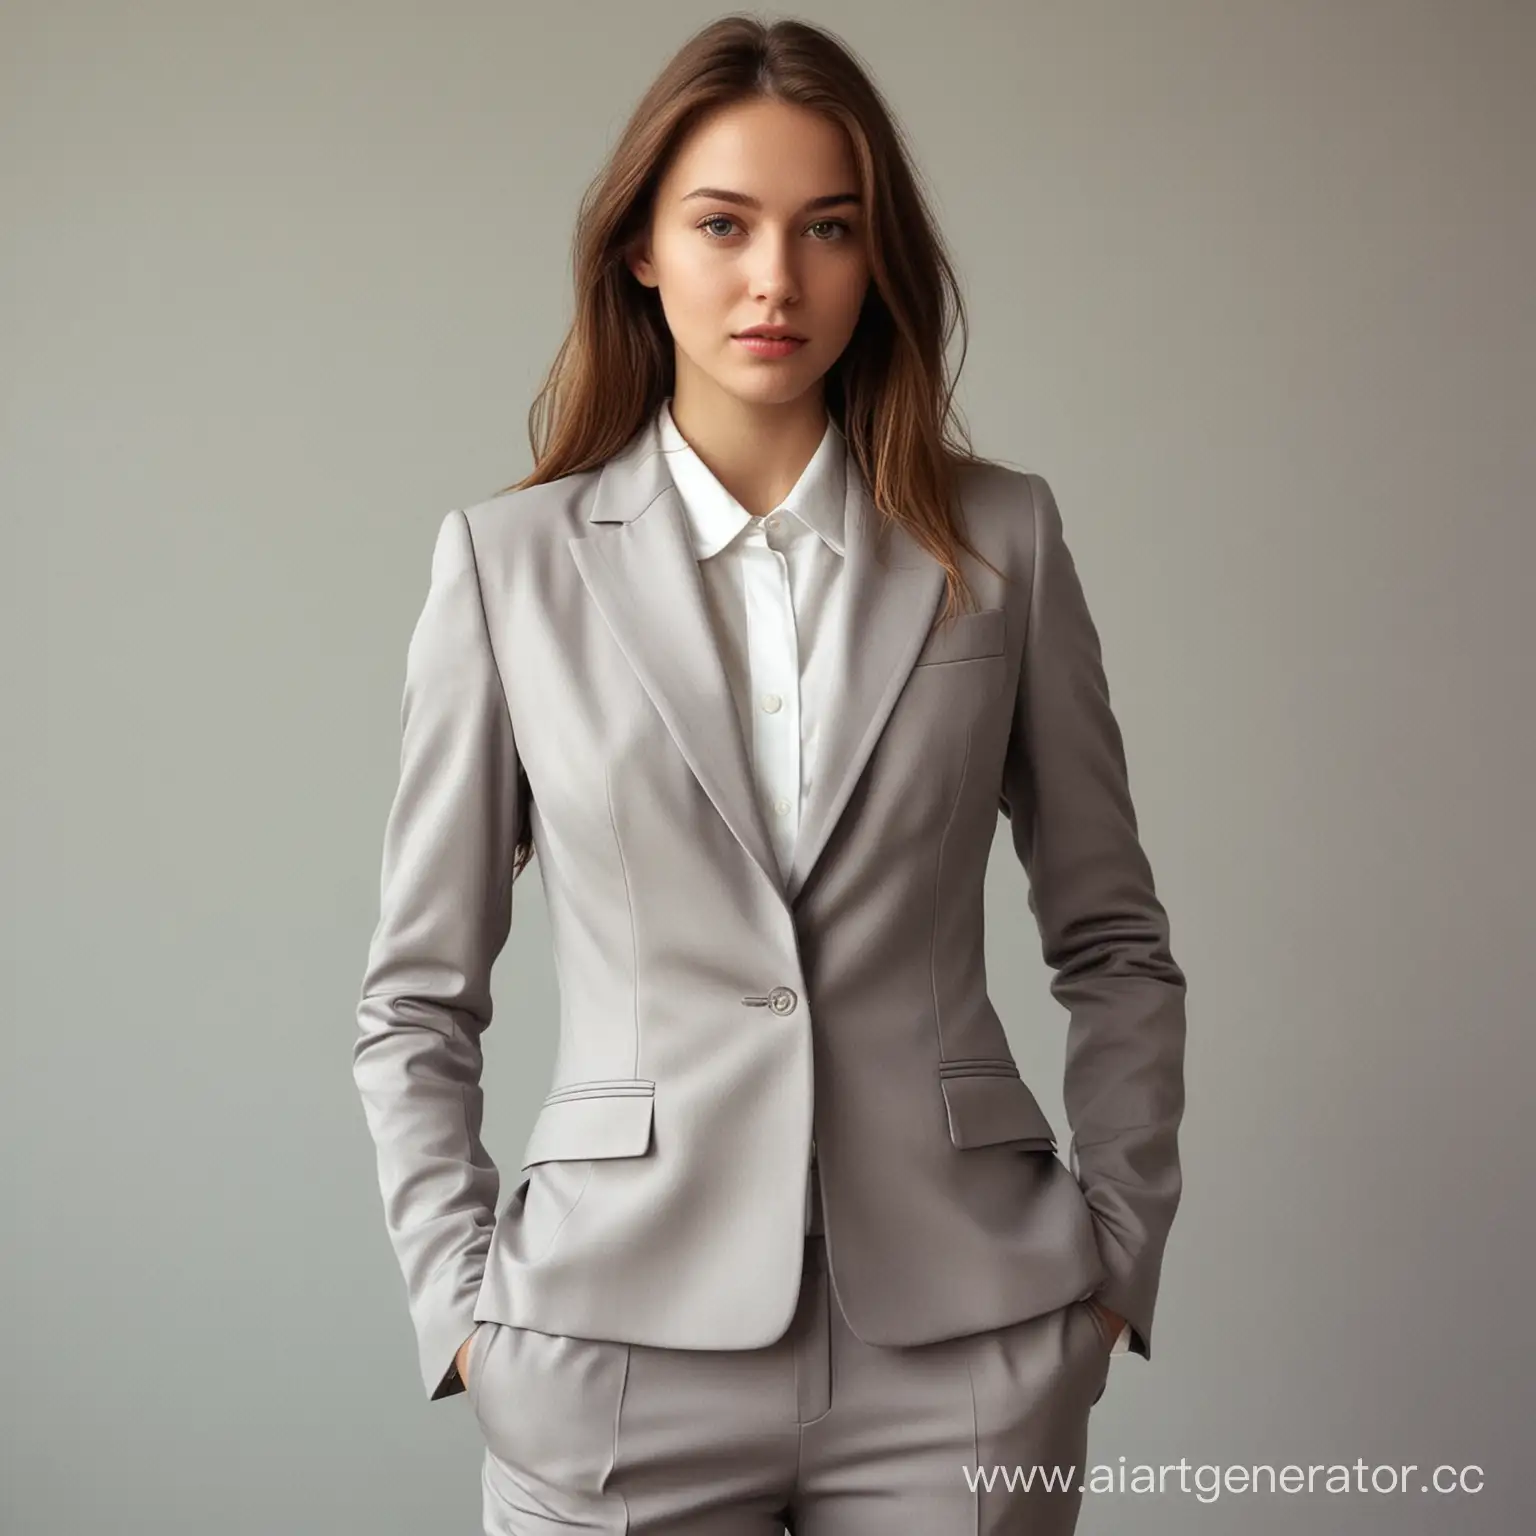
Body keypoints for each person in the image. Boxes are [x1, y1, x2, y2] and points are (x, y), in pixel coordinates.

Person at [352, 14, 1186, 1534]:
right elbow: (416, 995)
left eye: (829, 230)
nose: (775, 280)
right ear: (642, 254)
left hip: (966, 1348)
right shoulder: (510, 567)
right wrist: (463, 1311)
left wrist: (1113, 1265)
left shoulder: (1003, 544)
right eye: (723, 224)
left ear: (878, 264)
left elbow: (1117, 944)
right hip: (610, 1349)